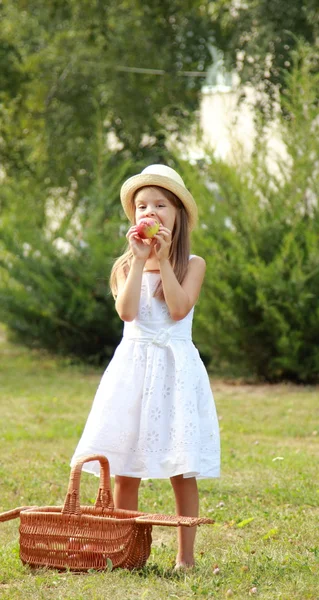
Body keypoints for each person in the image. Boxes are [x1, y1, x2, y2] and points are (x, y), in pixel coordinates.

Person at [71, 164, 220, 569]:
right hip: (133, 372)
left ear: (178, 216)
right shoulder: (123, 267)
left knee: (181, 466)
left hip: (175, 371)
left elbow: (176, 309)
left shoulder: (193, 263)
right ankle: (125, 554)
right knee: (125, 467)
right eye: (141, 206)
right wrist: (139, 261)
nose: (149, 213)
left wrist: (165, 262)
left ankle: (185, 558)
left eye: (160, 205)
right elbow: (128, 313)